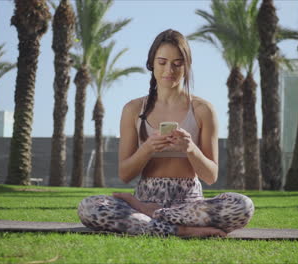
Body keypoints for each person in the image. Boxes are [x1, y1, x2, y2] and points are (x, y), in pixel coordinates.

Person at [78, 29, 254, 237]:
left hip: (189, 205)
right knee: (89, 207)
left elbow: (210, 176)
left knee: (243, 205)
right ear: (152, 63)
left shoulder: (203, 110)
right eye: (162, 62)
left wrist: (191, 149)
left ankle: (156, 220)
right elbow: (125, 175)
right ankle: (183, 230)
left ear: (186, 65)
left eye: (177, 63)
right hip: (145, 199)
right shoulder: (133, 109)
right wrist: (147, 149)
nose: (169, 70)